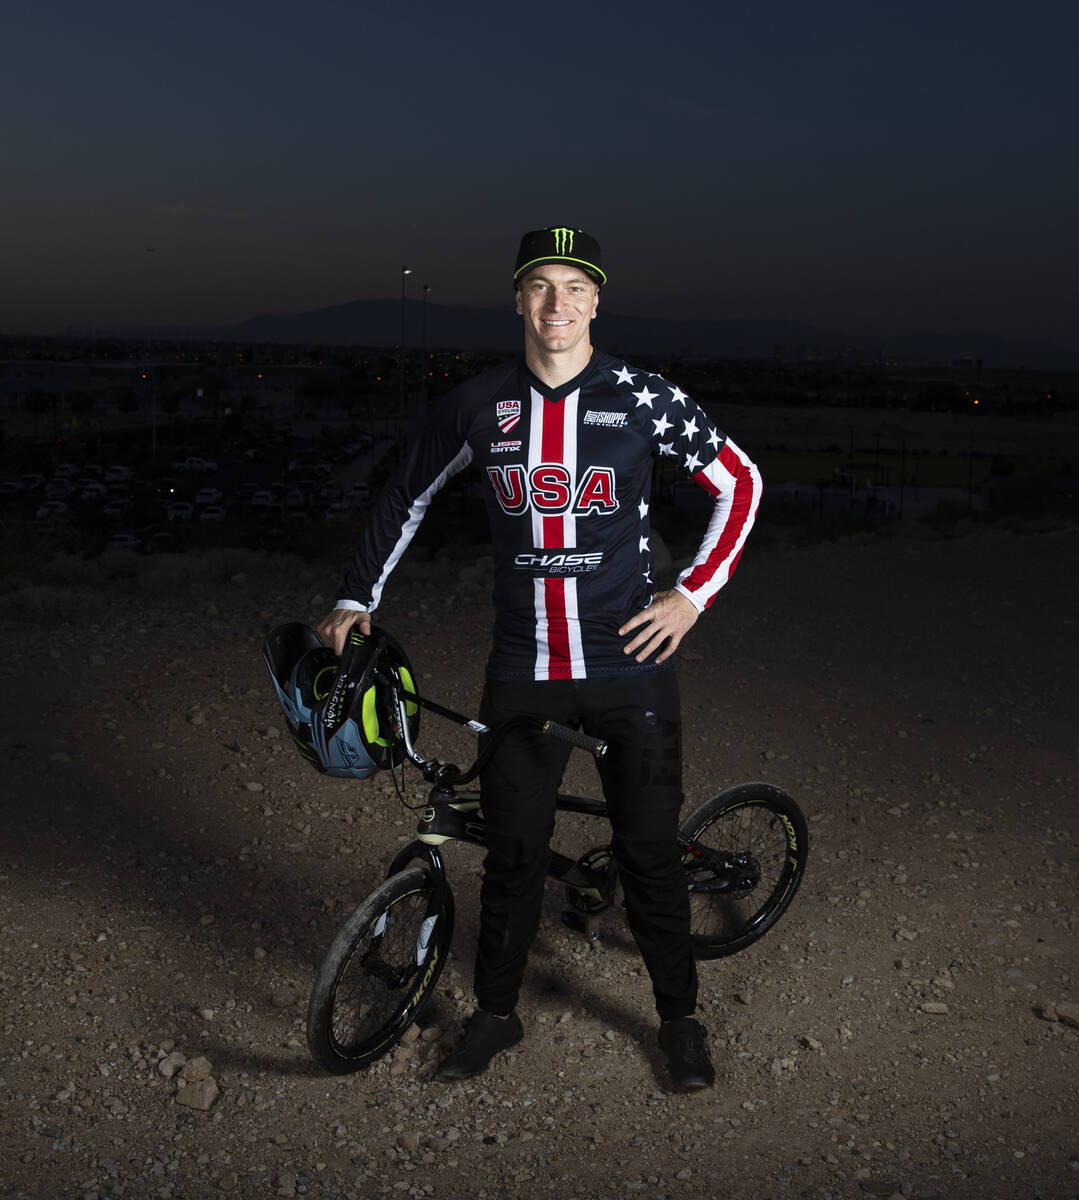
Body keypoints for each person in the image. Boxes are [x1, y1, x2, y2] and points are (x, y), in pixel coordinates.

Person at [317, 226, 761, 1090]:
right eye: (540, 287)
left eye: (573, 287)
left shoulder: (640, 397)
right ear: (518, 300)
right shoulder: (477, 404)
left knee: (648, 852)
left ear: (596, 301)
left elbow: (738, 482)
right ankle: (494, 1018)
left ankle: (679, 1022)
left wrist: (691, 595)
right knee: (514, 854)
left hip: (629, 663)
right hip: (524, 668)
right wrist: (353, 599)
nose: (557, 303)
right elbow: (404, 492)